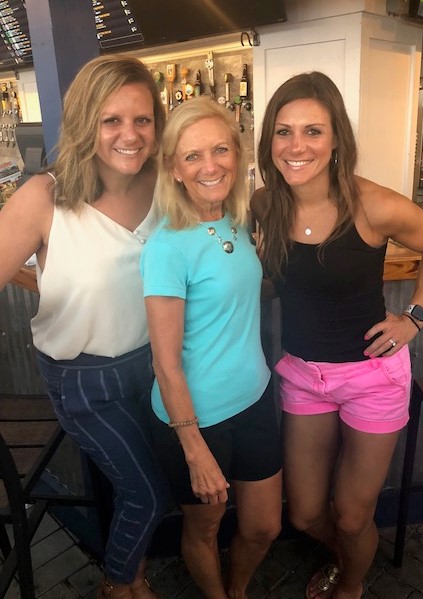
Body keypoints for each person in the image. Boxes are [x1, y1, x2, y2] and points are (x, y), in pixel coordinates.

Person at [251, 71, 423, 599]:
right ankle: (346, 553)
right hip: (303, 375)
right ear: (269, 139)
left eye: (313, 131)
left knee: (354, 514)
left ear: (337, 138)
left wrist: (415, 317)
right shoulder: (265, 203)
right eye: (284, 131)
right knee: (305, 513)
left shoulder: (373, 205)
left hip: (373, 377)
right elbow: (282, 279)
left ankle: (352, 586)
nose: (296, 146)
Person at [0, 55, 169, 599]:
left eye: (142, 120)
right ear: (83, 122)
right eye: (110, 120)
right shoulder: (45, 197)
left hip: (155, 367)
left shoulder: (167, 184)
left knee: (151, 484)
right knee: (146, 493)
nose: (130, 135)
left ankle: (132, 574)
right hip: (84, 380)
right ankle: (119, 585)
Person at [140, 96, 283, 599]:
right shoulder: (166, 246)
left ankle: (236, 590)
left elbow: (238, 290)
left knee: (264, 526)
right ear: (174, 169)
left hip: (255, 398)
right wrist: (194, 449)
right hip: (196, 418)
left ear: (237, 155)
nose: (210, 166)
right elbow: (165, 362)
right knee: (204, 528)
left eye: (220, 150)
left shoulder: (237, 221)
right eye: (193, 156)